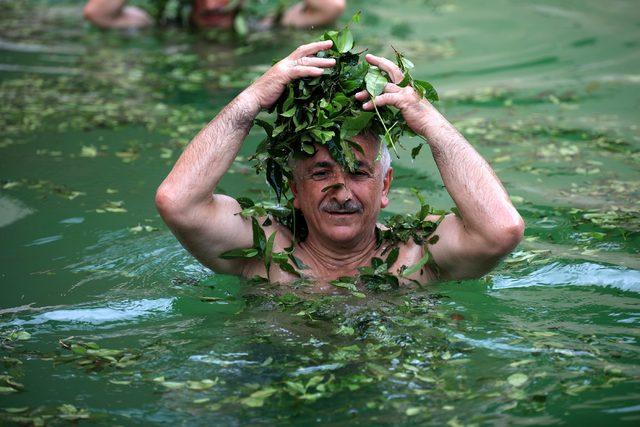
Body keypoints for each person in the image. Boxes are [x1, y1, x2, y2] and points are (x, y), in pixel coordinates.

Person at [155, 40, 525, 285]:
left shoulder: (417, 252)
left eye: (359, 172)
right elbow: (178, 202)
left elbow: (501, 229)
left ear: (385, 187)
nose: (341, 191)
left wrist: (429, 120)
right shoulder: (265, 249)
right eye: (320, 172)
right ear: (293, 189)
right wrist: (251, 100)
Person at [83, 0, 346, 30]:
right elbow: (98, 13)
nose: (211, 5)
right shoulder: (168, 26)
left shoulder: (265, 26)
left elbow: (331, 7)